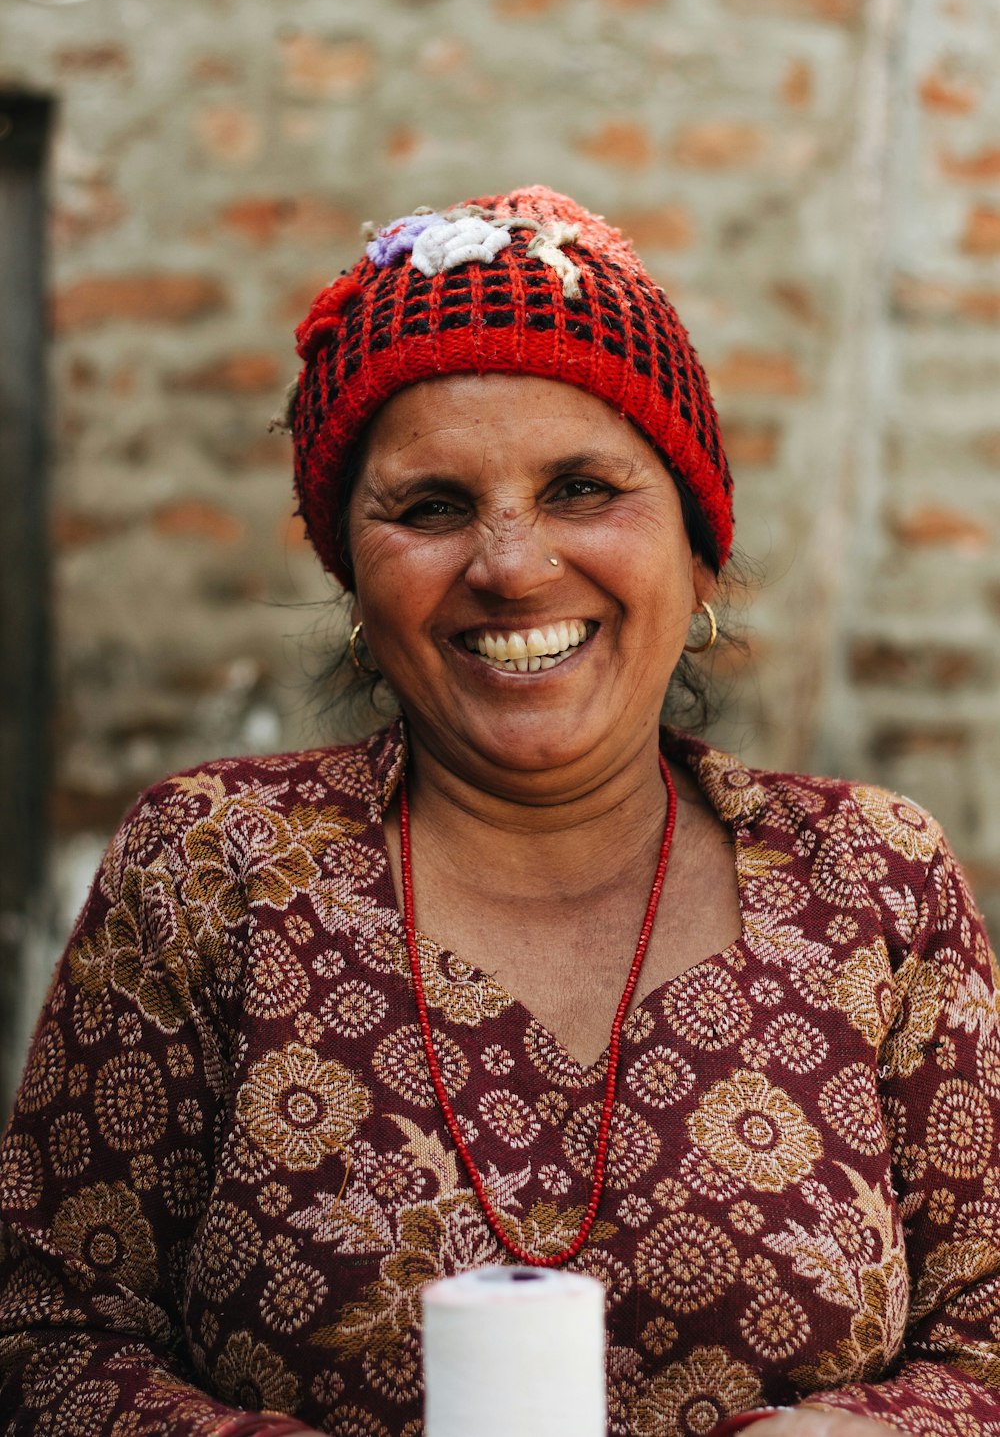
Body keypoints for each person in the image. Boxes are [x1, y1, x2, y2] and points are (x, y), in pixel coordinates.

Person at [0, 186, 997, 1437]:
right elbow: (50, 1335)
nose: (512, 563)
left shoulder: (871, 881)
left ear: (697, 556)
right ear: (350, 580)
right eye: (430, 507)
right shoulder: (213, 871)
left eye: (583, 487)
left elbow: (988, 1335)